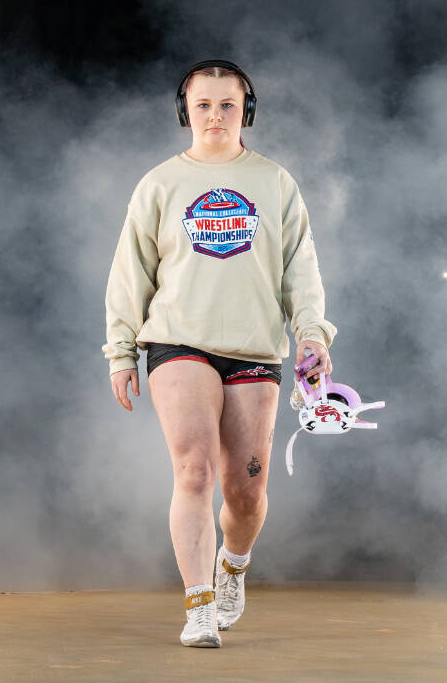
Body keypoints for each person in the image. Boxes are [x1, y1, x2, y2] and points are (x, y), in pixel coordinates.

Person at [102, 59, 337, 648]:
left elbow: (300, 270)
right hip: (177, 339)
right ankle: (199, 604)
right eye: (202, 105)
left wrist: (312, 334)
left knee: (247, 488)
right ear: (186, 111)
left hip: (254, 345)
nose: (214, 115)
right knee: (195, 469)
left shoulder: (275, 182)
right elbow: (130, 272)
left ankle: (232, 569)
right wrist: (121, 351)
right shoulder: (159, 184)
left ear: (246, 112)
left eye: (227, 105)